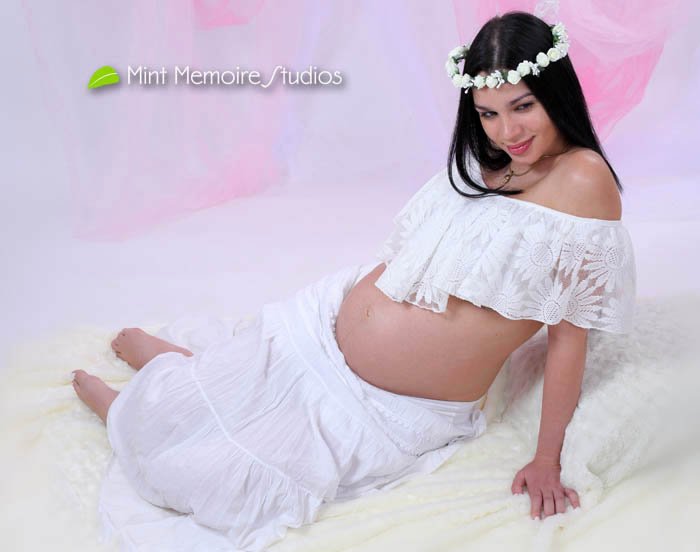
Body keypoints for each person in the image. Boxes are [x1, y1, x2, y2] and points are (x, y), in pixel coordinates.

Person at [71, 11, 636, 552]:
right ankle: (186, 374)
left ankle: (136, 407)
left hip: (392, 402)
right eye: (487, 113)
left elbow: (569, 336)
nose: (506, 130)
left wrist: (546, 459)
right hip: (327, 326)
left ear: (553, 90)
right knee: (240, 379)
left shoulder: (582, 181)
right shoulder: (495, 156)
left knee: (223, 482)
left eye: (522, 106)